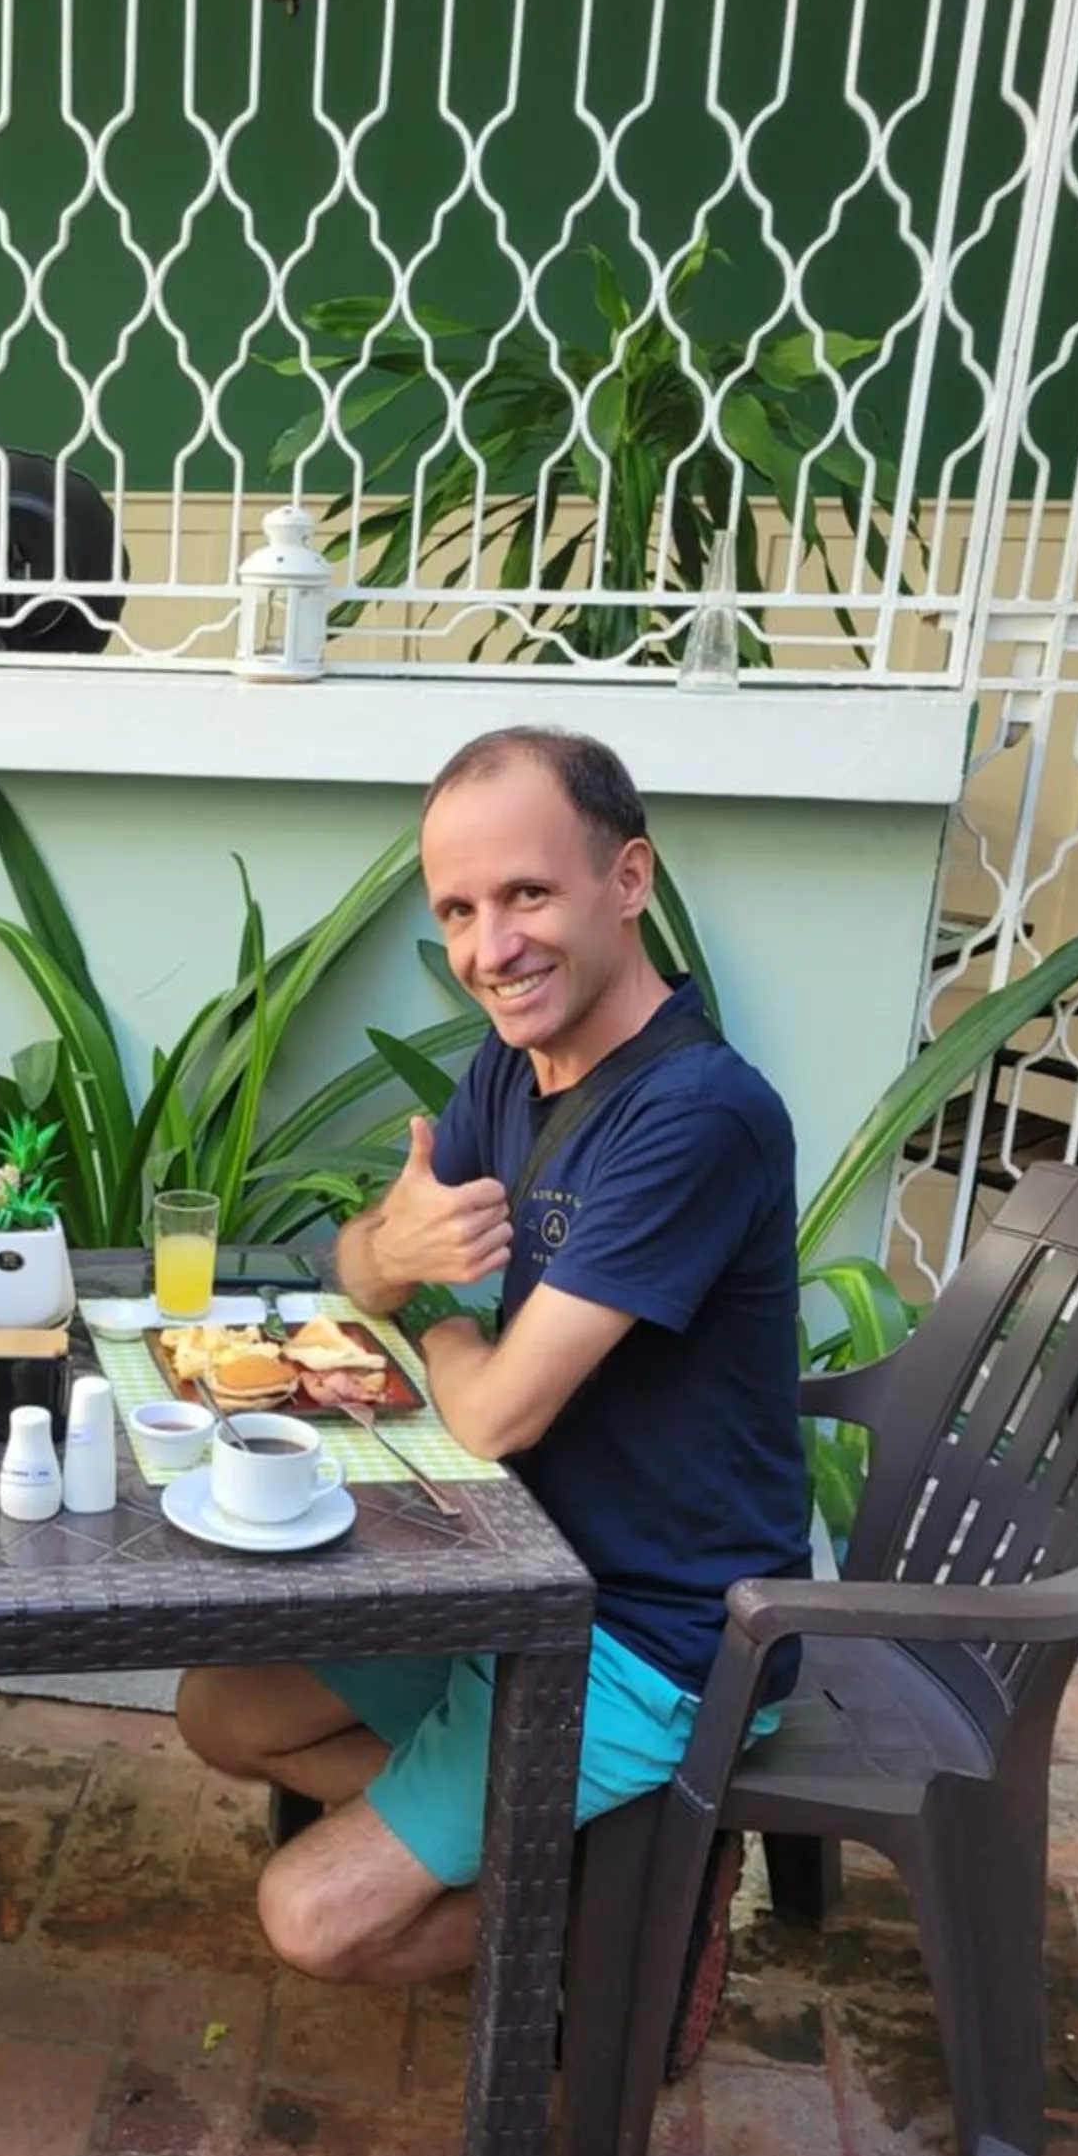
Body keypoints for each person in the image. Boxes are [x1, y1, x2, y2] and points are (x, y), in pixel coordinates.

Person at [177, 727, 809, 2051]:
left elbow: (493, 1410)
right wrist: (395, 1259)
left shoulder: (696, 1114)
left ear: (625, 879)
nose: (488, 948)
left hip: (650, 1633)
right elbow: (359, 1266)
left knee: (307, 1916)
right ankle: (596, 1852)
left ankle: (624, 1912)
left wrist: (439, 1326)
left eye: (525, 894)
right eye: (457, 911)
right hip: (512, 1571)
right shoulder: (508, 1071)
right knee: (220, 1709)